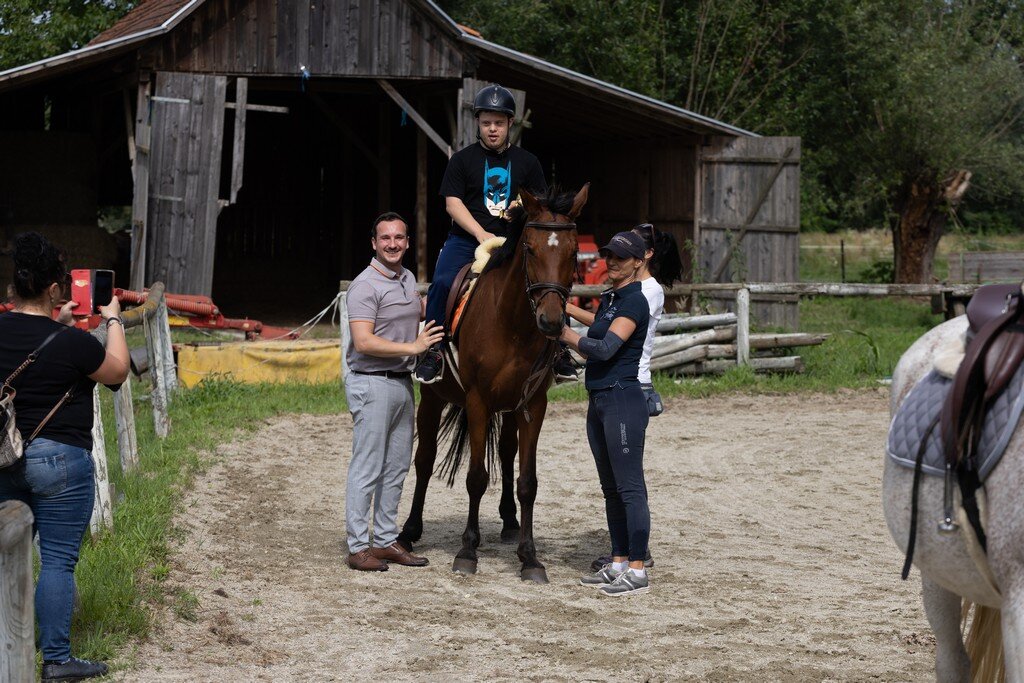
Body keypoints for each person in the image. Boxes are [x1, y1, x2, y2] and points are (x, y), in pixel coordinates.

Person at [0, 231, 129, 681]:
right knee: (56, 559)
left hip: (3, 458)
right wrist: (112, 320)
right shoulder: (71, 342)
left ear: (14, 285)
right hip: (59, 463)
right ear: (56, 290)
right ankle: (56, 659)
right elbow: (117, 373)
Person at [414, 83, 575, 384]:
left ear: (510, 123)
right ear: (477, 122)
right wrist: (480, 234)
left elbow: (541, 208)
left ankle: (560, 350)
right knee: (443, 281)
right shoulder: (462, 161)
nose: (492, 129)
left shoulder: (528, 163)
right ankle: (434, 351)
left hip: (516, 242)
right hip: (467, 240)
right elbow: (452, 204)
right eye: (486, 122)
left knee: (550, 279)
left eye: (498, 123)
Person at [344, 212, 444, 571]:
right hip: (371, 381)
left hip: (401, 382)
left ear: (406, 242)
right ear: (374, 243)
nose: (392, 244)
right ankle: (358, 546)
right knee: (368, 466)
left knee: (397, 466)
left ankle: (385, 539)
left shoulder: (406, 279)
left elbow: (418, 311)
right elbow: (363, 340)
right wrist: (414, 348)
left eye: (398, 238)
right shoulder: (365, 285)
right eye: (385, 238)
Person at [560, 231, 652, 597]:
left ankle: (638, 569)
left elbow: (605, 348)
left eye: (620, 257)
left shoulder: (635, 301)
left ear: (638, 261)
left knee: (630, 488)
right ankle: (618, 562)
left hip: (621, 399)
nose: (611, 262)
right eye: (608, 255)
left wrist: (565, 335)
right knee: (610, 489)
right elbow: (595, 336)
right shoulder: (612, 297)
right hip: (599, 399)